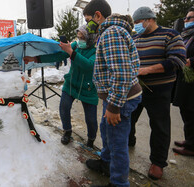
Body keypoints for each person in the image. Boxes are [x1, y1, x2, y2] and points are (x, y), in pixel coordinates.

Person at [83, 2, 142, 186]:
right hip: (113, 96)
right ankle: (106, 163)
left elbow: (122, 72)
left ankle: (118, 182)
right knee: (107, 131)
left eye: (88, 20)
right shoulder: (110, 32)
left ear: (98, 15)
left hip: (120, 98)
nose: (87, 25)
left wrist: (114, 106)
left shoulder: (111, 33)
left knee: (117, 143)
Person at [129, 7, 186, 180]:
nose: (137, 26)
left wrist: (146, 70)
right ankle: (128, 141)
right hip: (136, 89)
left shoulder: (170, 35)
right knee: (128, 118)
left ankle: (158, 162)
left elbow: (177, 60)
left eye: (138, 22)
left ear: (149, 19)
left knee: (160, 126)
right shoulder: (135, 38)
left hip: (159, 90)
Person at [24, 25, 99, 148]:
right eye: (78, 37)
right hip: (71, 84)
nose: (79, 40)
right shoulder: (76, 45)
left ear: (90, 39)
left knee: (91, 119)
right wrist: (35, 58)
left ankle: (91, 139)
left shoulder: (97, 50)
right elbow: (58, 56)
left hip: (89, 88)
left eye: (82, 38)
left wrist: (71, 52)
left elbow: (88, 65)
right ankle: (67, 131)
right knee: (64, 107)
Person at [172, 7, 194, 156]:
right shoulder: (186, 36)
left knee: (191, 112)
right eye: (185, 18)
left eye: (189, 18)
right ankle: (189, 140)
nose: (185, 21)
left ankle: (191, 147)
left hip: (192, 81)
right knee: (185, 111)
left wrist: (191, 61)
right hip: (184, 80)